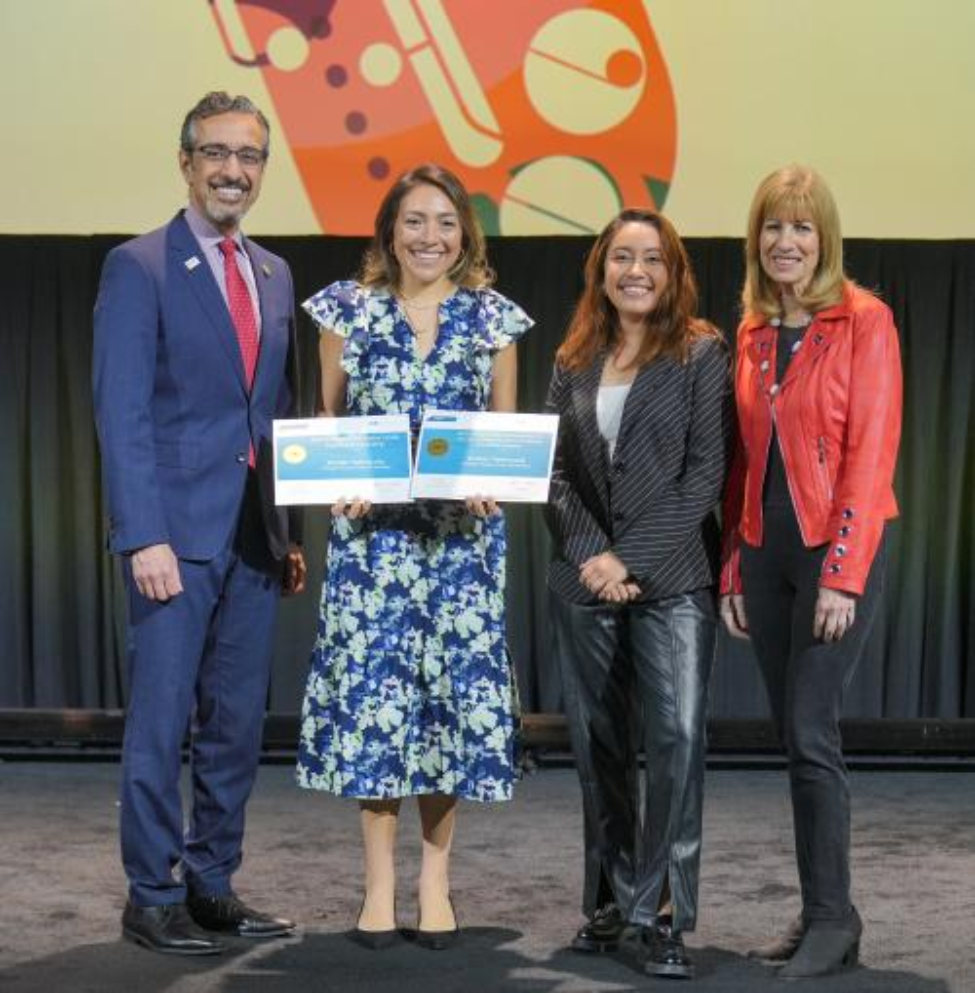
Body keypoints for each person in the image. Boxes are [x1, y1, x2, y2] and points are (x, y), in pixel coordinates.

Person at [297, 163, 533, 950]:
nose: (430, 236)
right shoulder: (346, 312)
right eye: (414, 221)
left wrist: (490, 486)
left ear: (464, 234)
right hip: (374, 552)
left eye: (445, 222)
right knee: (376, 709)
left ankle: (434, 885)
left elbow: (503, 435)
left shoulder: (492, 320)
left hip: (460, 553)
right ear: (388, 232)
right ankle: (376, 888)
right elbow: (325, 424)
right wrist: (340, 486)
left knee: (444, 711)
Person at [93, 92, 306, 956]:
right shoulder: (138, 266)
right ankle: (151, 893)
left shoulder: (274, 274)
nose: (232, 169)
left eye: (248, 156)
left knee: (232, 727)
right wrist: (141, 534)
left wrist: (286, 533)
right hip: (172, 542)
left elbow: (275, 412)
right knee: (160, 722)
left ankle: (211, 883)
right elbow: (122, 411)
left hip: (253, 540)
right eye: (215, 153)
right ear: (185, 162)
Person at [719, 165, 902, 979]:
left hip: (833, 549)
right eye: (771, 227)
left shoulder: (865, 321)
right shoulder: (754, 330)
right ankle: (825, 909)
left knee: (811, 733)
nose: (784, 242)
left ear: (823, 238)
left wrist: (842, 572)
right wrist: (731, 561)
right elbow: (743, 461)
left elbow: (870, 453)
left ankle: (833, 917)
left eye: (800, 228)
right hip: (764, 553)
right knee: (792, 736)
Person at [544, 208, 732, 979]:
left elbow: (702, 478)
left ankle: (663, 915)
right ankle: (609, 902)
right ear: (601, 268)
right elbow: (551, 473)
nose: (635, 271)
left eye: (650, 259)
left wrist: (631, 558)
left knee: (677, 743)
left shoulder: (699, 350)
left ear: (672, 270)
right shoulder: (572, 356)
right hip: (586, 582)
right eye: (621, 257)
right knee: (601, 749)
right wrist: (595, 556)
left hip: (673, 579)